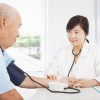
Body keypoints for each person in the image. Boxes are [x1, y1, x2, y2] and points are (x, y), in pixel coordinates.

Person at [0, 3, 67, 100]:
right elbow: (8, 95)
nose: (18, 34)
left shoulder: (2, 54)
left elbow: (21, 79)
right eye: (18, 27)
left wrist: (59, 82)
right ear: (3, 23)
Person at [45, 15, 100, 88]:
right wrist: (60, 80)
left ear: (86, 33)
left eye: (76, 32)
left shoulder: (95, 51)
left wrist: (92, 82)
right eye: (69, 32)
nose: (72, 36)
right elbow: (48, 74)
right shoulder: (61, 52)